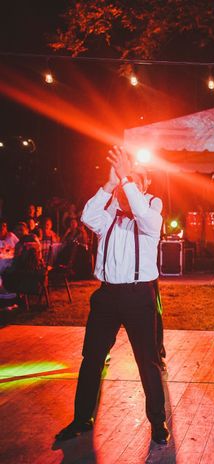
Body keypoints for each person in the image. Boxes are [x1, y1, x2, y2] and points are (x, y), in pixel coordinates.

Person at [55, 146, 169, 445]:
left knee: (148, 361)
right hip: (106, 297)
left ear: (145, 185)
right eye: (125, 180)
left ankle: (158, 423)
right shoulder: (108, 213)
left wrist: (128, 178)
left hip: (138, 297)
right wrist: (109, 183)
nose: (127, 183)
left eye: (135, 180)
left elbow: (143, 215)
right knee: (91, 358)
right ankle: (81, 420)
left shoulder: (152, 211)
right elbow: (88, 216)